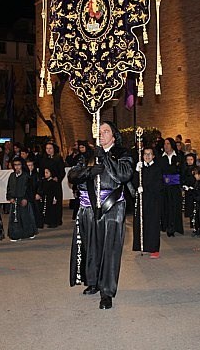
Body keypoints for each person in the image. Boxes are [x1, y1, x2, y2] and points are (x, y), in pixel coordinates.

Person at [69, 121, 133, 309]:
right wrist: (89, 171)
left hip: (112, 206)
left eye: (106, 131)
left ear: (114, 136)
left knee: (110, 249)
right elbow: (72, 175)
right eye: (100, 131)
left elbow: (123, 175)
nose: (102, 134)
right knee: (92, 246)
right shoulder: (89, 155)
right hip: (90, 206)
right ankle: (94, 281)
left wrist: (105, 157)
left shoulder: (122, 154)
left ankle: (107, 291)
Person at [132, 147, 163, 258]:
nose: (147, 156)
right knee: (142, 222)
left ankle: (154, 249)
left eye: (149, 154)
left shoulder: (157, 168)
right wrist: (136, 172)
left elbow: (158, 184)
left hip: (153, 199)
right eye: (145, 154)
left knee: (152, 224)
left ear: (153, 156)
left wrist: (145, 188)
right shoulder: (141, 168)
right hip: (142, 199)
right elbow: (135, 182)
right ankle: (144, 246)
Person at [6, 157, 38, 241]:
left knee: (25, 217)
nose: (17, 167)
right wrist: (10, 197)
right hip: (15, 200)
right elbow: (9, 187)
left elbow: (30, 189)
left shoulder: (26, 176)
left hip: (24, 199)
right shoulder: (12, 176)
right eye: (15, 165)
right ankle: (15, 235)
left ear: (22, 165)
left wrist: (26, 199)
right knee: (15, 218)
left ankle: (29, 232)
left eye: (18, 165)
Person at [159, 137, 184, 237]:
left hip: (175, 187)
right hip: (165, 187)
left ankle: (175, 226)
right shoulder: (161, 158)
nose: (166, 146)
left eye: (168, 144)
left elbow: (182, 171)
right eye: (165, 144)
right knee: (166, 207)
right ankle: (167, 227)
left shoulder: (179, 157)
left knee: (175, 207)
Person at [39, 142, 65, 227]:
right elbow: (41, 171)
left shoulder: (58, 158)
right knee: (48, 201)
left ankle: (56, 220)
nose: (48, 150)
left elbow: (62, 171)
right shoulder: (44, 159)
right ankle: (47, 219)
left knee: (55, 202)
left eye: (50, 148)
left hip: (55, 184)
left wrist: (57, 178)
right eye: (47, 148)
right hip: (46, 183)